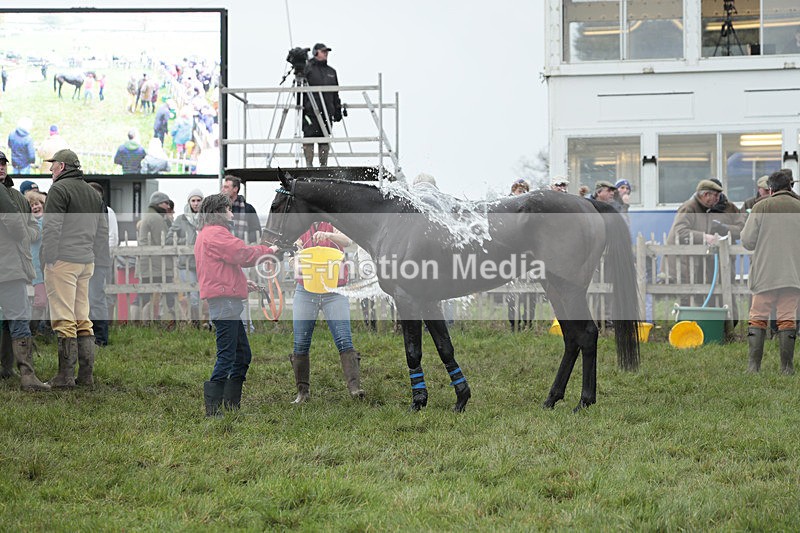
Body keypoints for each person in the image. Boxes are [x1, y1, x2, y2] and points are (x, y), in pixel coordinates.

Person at [194, 193, 278, 416]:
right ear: (218, 212)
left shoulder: (208, 234)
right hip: (225, 303)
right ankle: (214, 411)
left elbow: (222, 266)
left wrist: (242, 282)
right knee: (227, 356)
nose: (231, 213)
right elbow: (243, 255)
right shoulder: (216, 234)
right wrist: (269, 251)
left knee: (241, 355)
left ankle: (231, 406)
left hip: (225, 300)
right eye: (228, 209)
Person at [42, 149, 107, 388]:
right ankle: (86, 376)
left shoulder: (59, 189)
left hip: (63, 260)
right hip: (86, 261)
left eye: (53, 166)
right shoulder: (92, 193)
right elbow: (102, 231)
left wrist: (49, 258)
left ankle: (65, 377)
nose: (51, 170)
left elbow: (51, 228)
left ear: (62, 166)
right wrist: (96, 258)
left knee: (64, 318)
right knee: (83, 318)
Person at [289, 221, 365, 404]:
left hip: (335, 290)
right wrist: (295, 264)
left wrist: (328, 235)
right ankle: (302, 392)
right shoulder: (300, 225)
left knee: (344, 339)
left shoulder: (334, 221)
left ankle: (355, 388)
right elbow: (294, 253)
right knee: (300, 343)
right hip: (306, 289)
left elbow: (347, 240)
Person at [0, 150, 50, 391]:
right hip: (9, 267)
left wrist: (25, 234)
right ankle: (8, 369)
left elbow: (30, 227)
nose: (0, 167)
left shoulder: (15, 197)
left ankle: (26, 375)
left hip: (11, 268)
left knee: (17, 319)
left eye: (2, 163)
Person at [742, 169, 800, 374]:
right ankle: (787, 367)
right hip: (792, 273)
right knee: (787, 317)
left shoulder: (761, 207)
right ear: (790, 185)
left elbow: (748, 241)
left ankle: (753, 366)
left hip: (765, 272)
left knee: (758, 316)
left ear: (771, 188)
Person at [221, 175, 261, 331]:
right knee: (224, 291)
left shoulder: (248, 209)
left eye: (226, 186)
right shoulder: (220, 209)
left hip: (241, 255)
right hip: (224, 255)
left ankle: (246, 325)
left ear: (235, 189)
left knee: (242, 291)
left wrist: (240, 243)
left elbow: (256, 231)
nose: (223, 189)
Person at [136, 191, 175, 324]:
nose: (168, 206)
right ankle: (174, 322)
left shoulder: (149, 216)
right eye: (166, 203)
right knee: (167, 293)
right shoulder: (156, 218)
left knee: (144, 295)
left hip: (149, 263)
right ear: (159, 203)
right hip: (156, 264)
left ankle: (140, 322)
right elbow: (162, 241)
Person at [302, 43, 342, 167]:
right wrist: (305, 105)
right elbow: (299, 90)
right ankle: (309, 165)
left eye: (326, 51)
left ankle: (323, 166)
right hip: (310, 112)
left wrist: (337, 109)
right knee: (309, 138)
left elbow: (335, 93)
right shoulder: (307, 69)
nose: (326, 53)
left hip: (327, 112)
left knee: (325, 139)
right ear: (315, 52)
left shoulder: (332, 72)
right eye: (322, 51)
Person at [166, 189, 203, 323]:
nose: (196, 203)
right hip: (185, 264)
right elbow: (169, 239)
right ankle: (195, 324)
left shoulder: (206, 218)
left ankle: (206, 323)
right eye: (193, 200)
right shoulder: (181, 219)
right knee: (192, 296)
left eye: (199, 200)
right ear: (189, 202)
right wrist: (187, 242)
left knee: (205, 296)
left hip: (203, 263)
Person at [507, 178, 536, 331]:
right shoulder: (507, 207)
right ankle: (514, 323)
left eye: (524, 190)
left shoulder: (529, 209)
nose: (522, 193)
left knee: (530, 292)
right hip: (511, 256)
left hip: (528, 255)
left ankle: (528, 322)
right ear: (513, 191)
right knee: (512, 291)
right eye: (519, 190)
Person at [87, 182, 112, 347]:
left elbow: (102, 236)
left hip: (96, 260)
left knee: (95, 298)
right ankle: (95, 336)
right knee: (93, 298)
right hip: (95, 259)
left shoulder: (100, 210)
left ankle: (100, 337)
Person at [24, 190, 48, 336]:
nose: (35, 207)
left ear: (43, 204)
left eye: (37, 203)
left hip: (51, 266)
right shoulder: (31, 225)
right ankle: (31, 331)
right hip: (36, 268)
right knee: (40, 300)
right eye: (32, 205)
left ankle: (48, 329)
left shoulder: (49, 220)